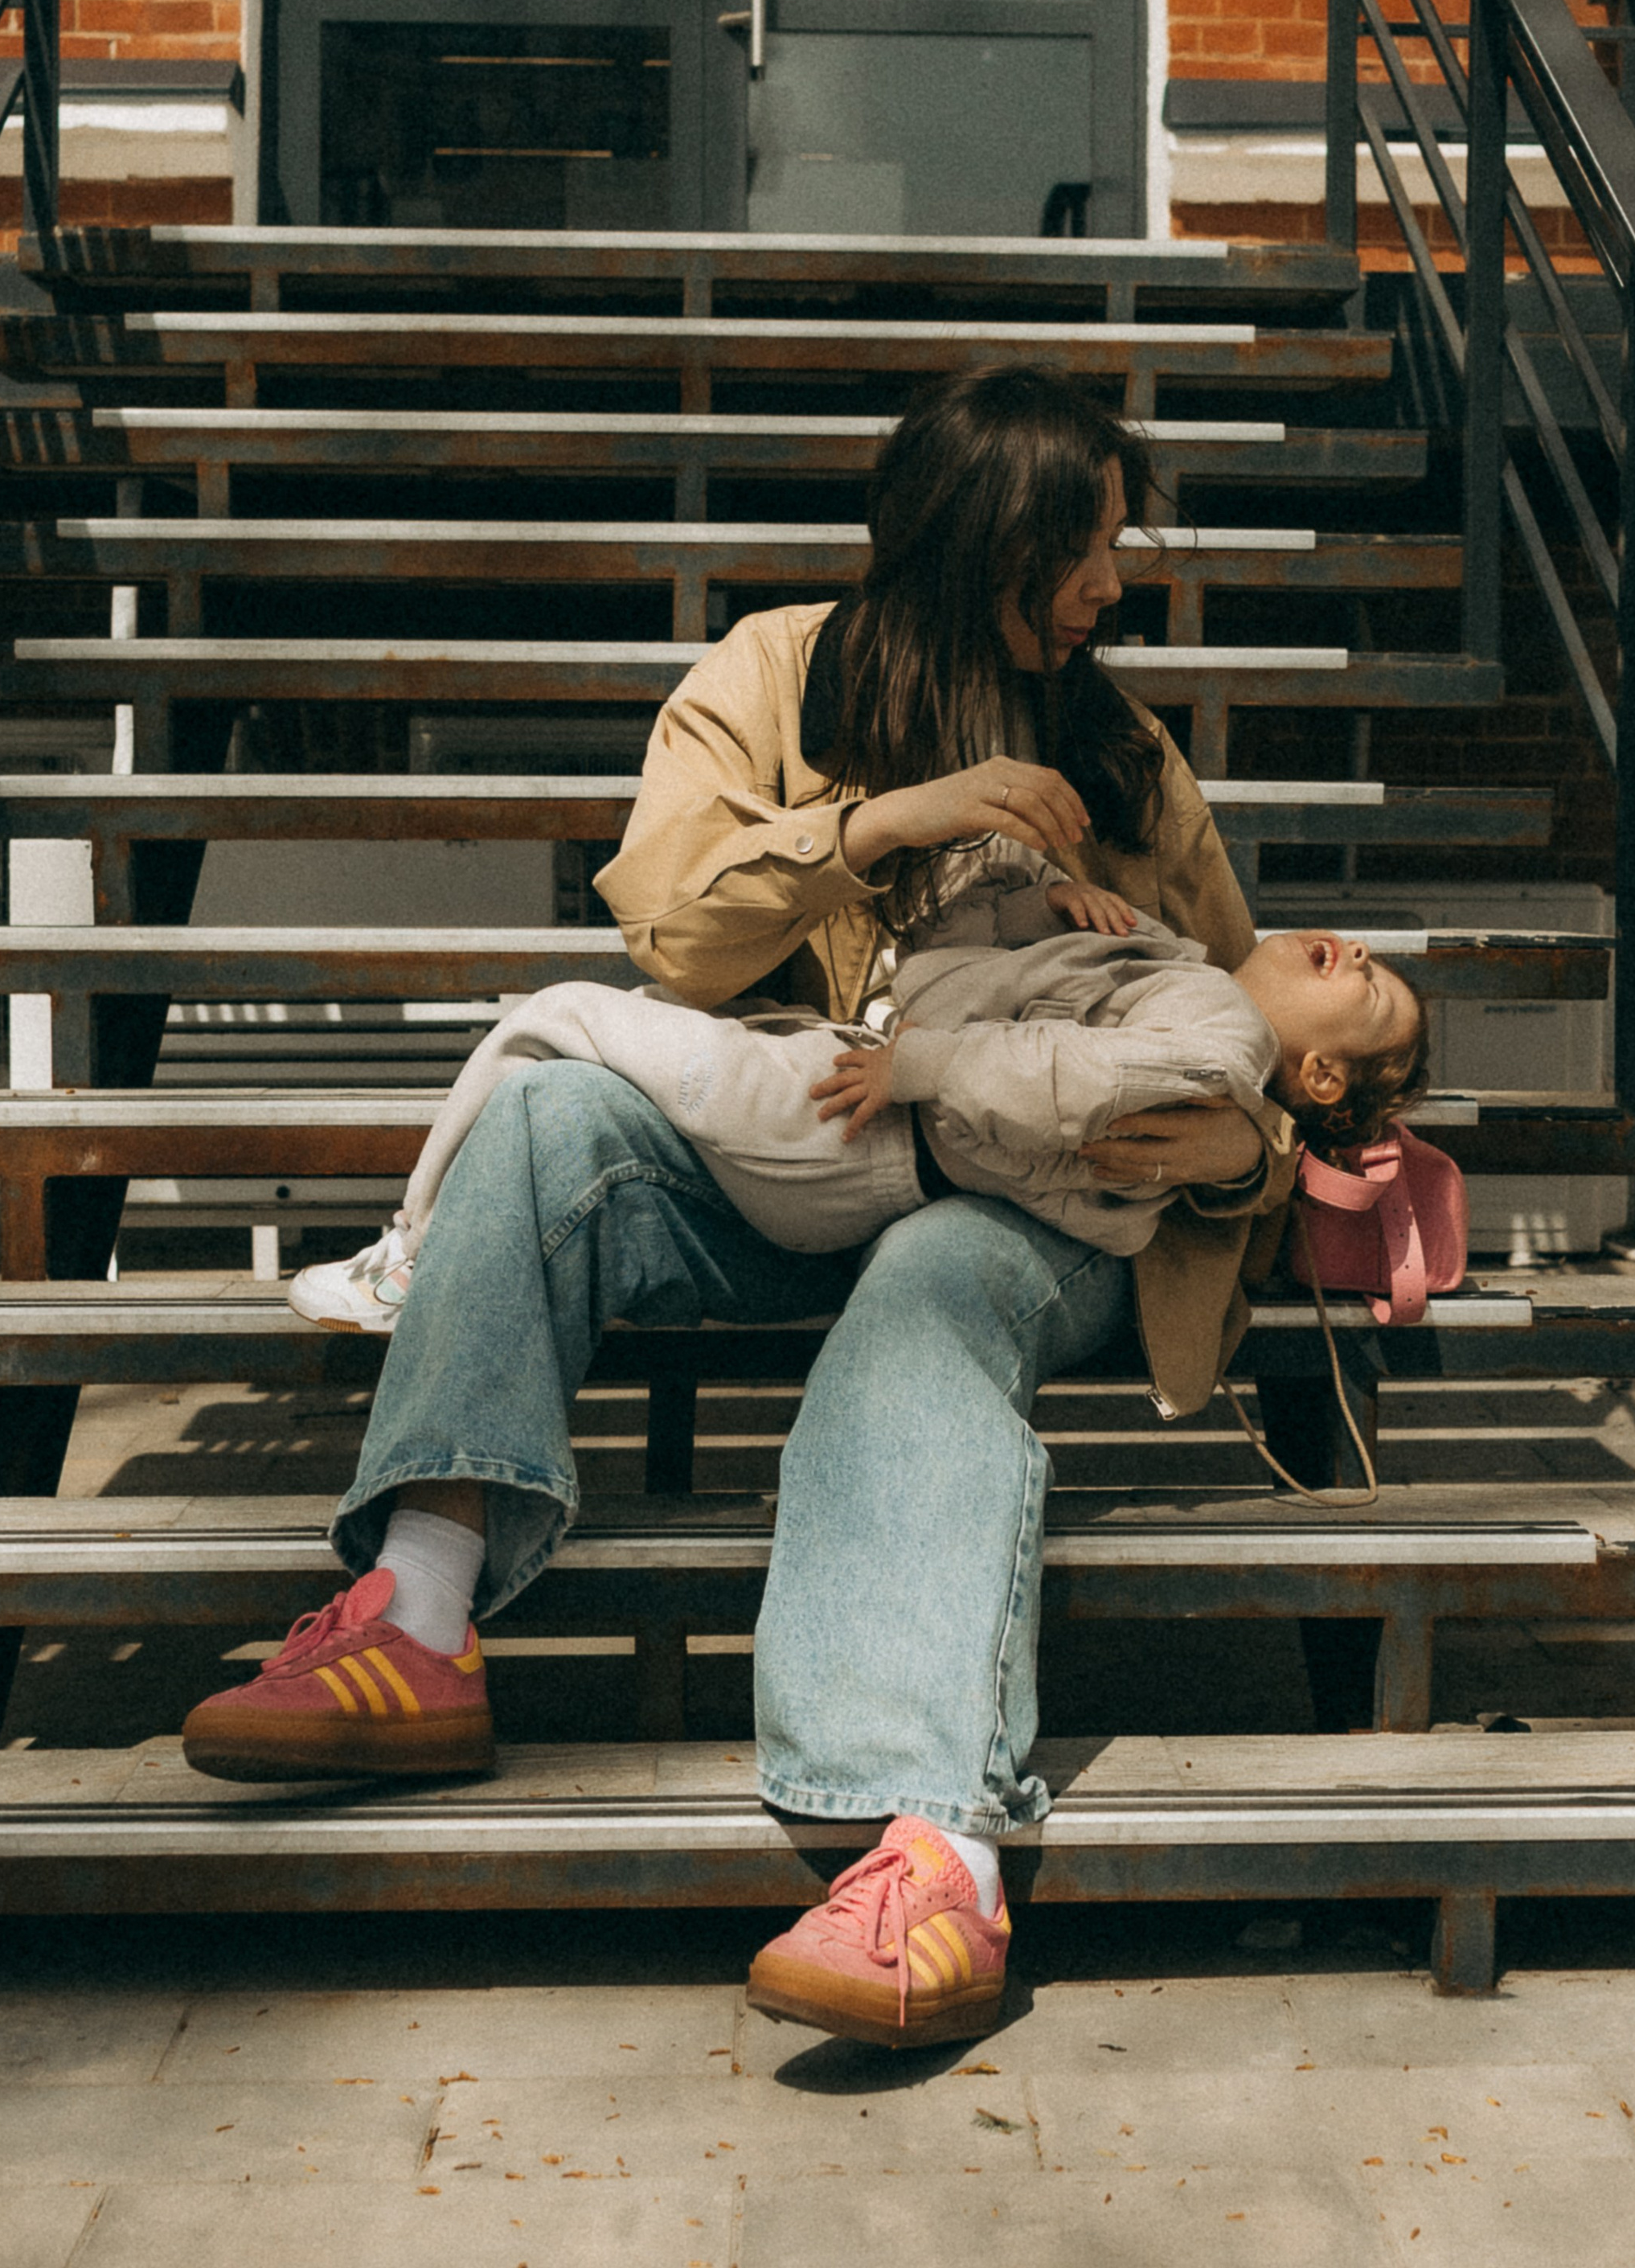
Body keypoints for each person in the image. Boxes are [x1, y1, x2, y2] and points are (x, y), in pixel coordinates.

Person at [182, 365, 1309, 2053]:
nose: (1110, 587)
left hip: (1019, 1198)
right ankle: (416, 1617)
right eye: (1083, 549)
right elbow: (673, 941)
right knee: (557, 1103)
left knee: (930, 1277)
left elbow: (1237, 1023)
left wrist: (1242, 1164)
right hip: (783, 1161)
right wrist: (879, 826)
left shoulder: (1119, 756)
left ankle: (930, 1845)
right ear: (980, 537)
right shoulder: (774, 675)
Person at [284, 869, 1428, 1318]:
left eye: (1374, 994)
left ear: (1319, 1075)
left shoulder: (1220, 1034)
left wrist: (919, 1062)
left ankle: (409, 1254)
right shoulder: (1184, 975)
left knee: (554, 1014)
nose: (1362, 952)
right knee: (578, 1037)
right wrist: (1033, 888)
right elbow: (974, 975)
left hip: (846, 1125)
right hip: (852, 1119)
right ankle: (417, 1254)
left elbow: (1077, 1075)